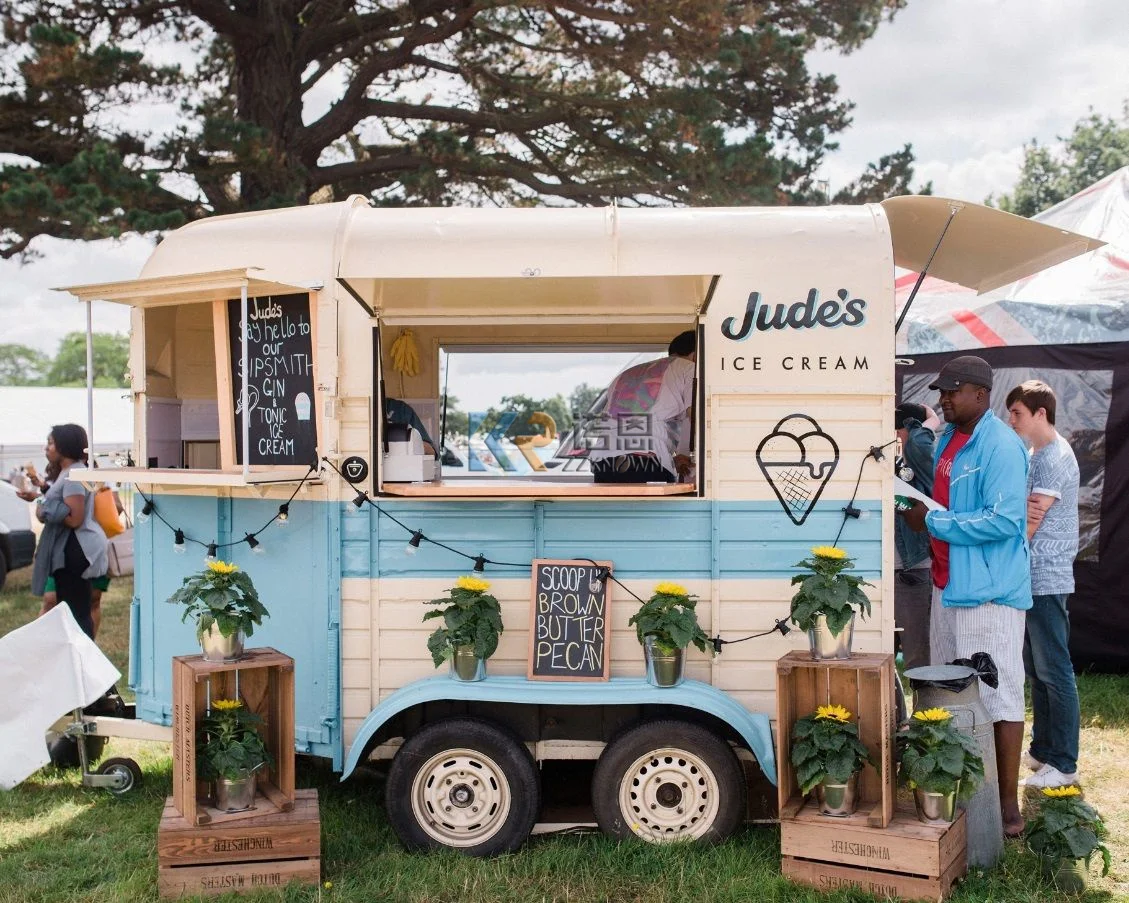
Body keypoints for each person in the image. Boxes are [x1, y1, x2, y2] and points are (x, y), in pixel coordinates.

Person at [898, 356, 1031, 838]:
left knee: (999, 696)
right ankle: (966, 791)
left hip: (990, 594)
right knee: (955, 692)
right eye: (941, 391)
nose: (943, 399)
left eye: (952, 391)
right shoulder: (953, 439)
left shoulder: (1001, 444)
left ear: (981, 393)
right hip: (948, 585)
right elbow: (952, 504)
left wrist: (931, 522)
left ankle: (1006, 807)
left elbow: (1005, 521)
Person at [1006, 380, 1081, 790]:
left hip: (1047, 576)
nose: (1011, 419)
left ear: (1040, 413)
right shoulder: (1037, 453)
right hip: (1032, 575)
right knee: (1037, 669)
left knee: (1055, 670)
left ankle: (1065, 762)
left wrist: (1003, 550)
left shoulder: (1054, 456)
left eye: (1017, 412)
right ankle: (1044, 751)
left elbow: (1031, 519)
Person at [29, 425, 108, 640]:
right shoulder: (69, 471)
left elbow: (75, 518)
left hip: (76, 547)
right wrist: (43, 496)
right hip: (71, 547)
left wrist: (45, 507)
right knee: (71, 607)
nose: (47, 448)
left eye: (51, 442)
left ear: (65, 445)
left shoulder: (73, 474)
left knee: (76, 611)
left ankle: (82, 660)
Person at [588, 330, 696, 483]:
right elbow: (696, 417)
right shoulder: (689, 369)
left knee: (614, 508)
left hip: (604, 461)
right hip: (645, 461)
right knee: (654, 507)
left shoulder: (627, 373)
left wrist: (670, 458)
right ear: (696, 355)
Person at [893, 402, 936, 671]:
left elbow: (919, 442)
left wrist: (931, 419)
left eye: (900, 429)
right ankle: (894, 712)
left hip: (913, 569)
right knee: (881, 655)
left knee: (917, 656)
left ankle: (927, 713)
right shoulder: (890, 458)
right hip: (887, 571)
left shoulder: (917, 454)